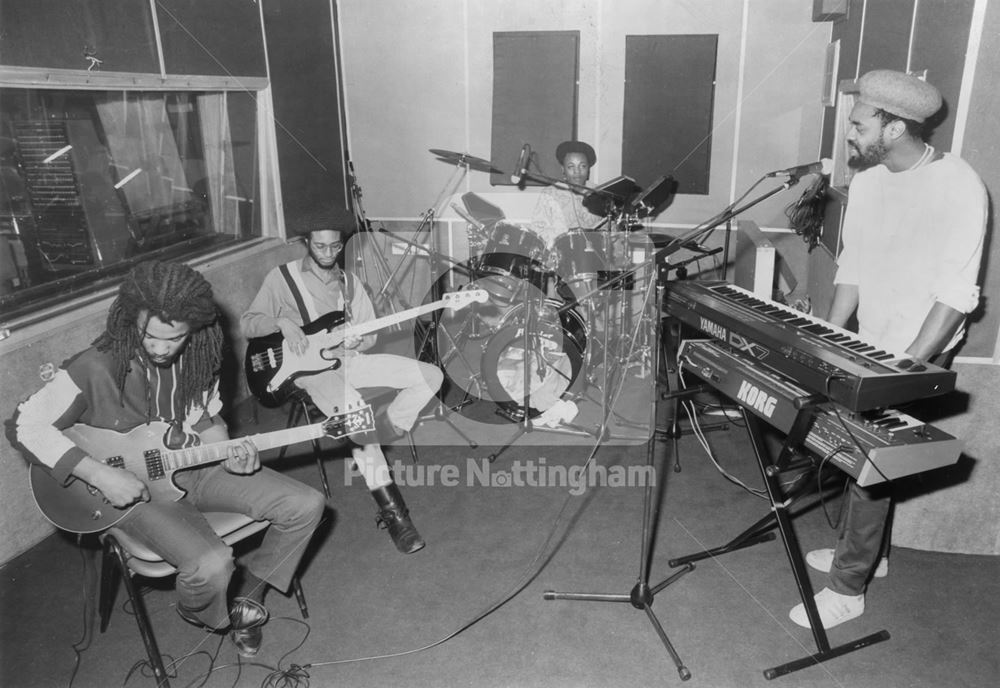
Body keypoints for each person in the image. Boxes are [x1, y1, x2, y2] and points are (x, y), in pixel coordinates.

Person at [14, 261, 325, 657]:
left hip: (190, 467)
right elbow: (26, 425)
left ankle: (248, 596)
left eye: (174, 339)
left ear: (193, 331)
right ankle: (200, 609)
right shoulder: (94, 365)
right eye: (150, 337)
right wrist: (98, 474)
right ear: (133, 321)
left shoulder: (200, 357)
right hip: (130, 490)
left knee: (306, 504)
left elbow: (206, 417)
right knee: (212, 566)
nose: (161, 349)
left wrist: (228, 452)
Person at [789, 70, 987, 630]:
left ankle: (848, 588)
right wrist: (824, 341)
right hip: (866, 343)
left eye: (858, 124)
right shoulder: (872, 184)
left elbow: (955, 295)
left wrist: (904, 368)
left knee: (873, 464)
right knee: (861, 455)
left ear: (894, 125)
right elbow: (853, 269)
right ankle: (869, 556)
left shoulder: (959, 185)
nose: (849, 134)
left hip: (919, 350)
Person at [240, 210, 443, 555]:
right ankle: (395, 514)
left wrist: (356, 341)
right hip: (309, 374)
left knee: (431, 375)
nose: (327, 253)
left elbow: (369, 336)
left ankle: (388, 425)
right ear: (307, 243)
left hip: (348, 362)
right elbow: (247, 323)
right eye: (319, 246)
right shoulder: (282, 278)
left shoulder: (351, 284)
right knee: (356, 414)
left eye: (334, 246)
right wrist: (279, 323)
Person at [530, 140, 605, 248]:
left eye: (582, 166)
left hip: (594, 255)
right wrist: (565, 235)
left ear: (588, 169)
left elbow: (610, 231)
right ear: (563, 170)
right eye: (571, 167)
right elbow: (536, 231)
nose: (577, 172)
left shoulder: (600, 193)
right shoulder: (549, 194)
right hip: (559, 256)